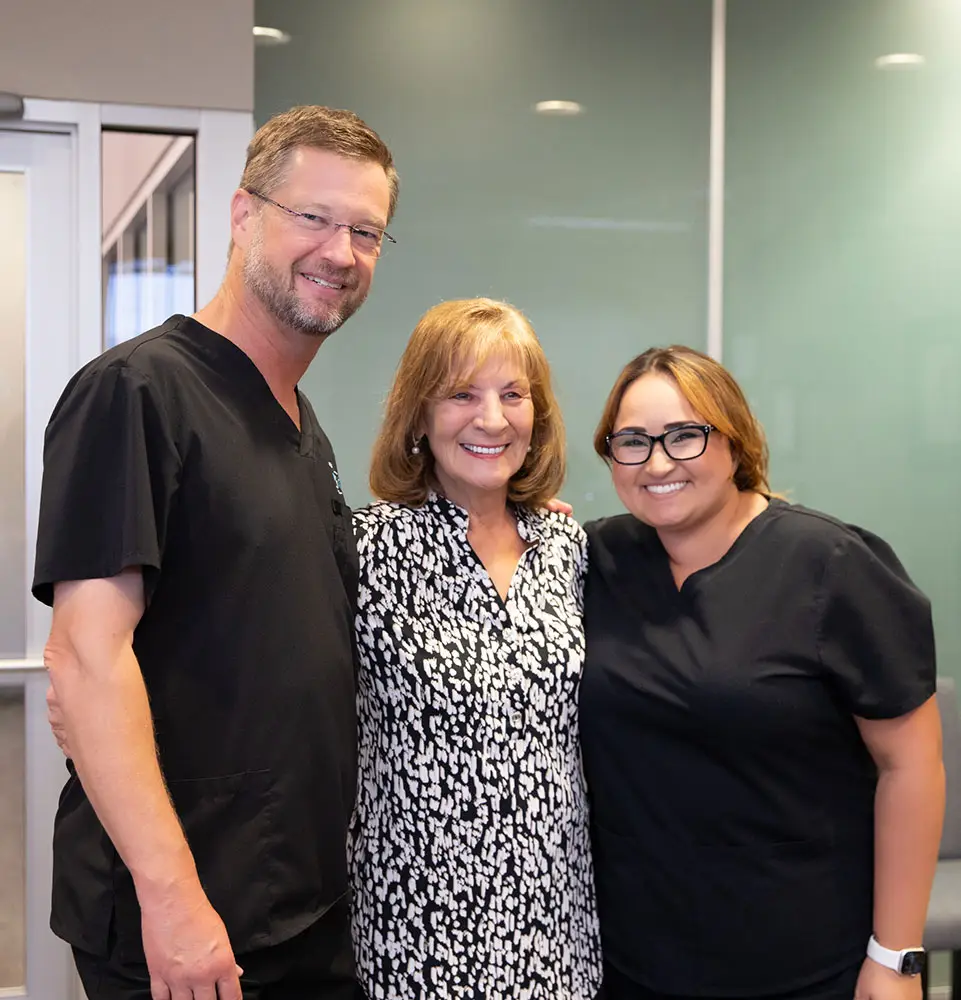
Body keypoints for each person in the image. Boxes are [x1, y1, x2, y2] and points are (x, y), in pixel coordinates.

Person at [33, 104, 398, 1000]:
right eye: (312, 217)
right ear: (244, 216)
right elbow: (85, 656)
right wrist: (175, 903)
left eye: (365, 231)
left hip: (300, 911)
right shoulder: (137, 393)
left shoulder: (300, 429)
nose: (339, 252)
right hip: (193, 926)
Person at [579, 345, 944, 1000]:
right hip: (632, 964)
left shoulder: (829, 564)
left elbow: (910, 766)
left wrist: (895, 957)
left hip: (802, 965)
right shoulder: (594, 559)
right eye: (631, 442)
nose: (657, 462)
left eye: (684, 436)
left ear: (735, 440)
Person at [349, 298, 603, 999]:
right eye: (462, 394)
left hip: (553, 918)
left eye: (512, 395)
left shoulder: (565, 547)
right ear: (419, 415)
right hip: (415, 919)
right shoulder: (364, 548)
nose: (491, 419)